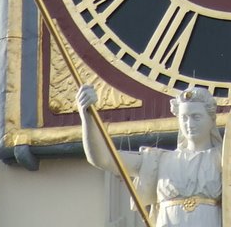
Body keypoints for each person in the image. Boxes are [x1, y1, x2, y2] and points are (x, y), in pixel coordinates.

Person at [77, 84, 222, 227]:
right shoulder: (158, 161)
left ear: (211, 120)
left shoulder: (224, 159)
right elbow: (104, 159)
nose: (189, 124)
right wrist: (87, 117)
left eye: (196, 117)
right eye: (184, 118)